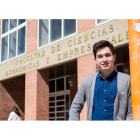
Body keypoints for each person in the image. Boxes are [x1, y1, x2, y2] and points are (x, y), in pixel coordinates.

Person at [69, 40, 132, 120]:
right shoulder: (87, 82)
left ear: (114, 57)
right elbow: (75, 107)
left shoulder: (126, 80)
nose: (104, 59)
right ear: (95, 60)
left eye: (108, 55)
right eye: (100, 56)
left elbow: (131, 112)